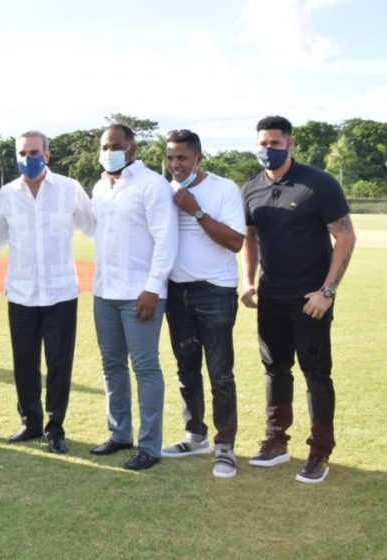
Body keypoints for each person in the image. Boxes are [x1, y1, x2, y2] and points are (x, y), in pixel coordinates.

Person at [241, 115, 356, 484]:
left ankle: (319, 451)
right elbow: (250, 237)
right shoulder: (251, 188)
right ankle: (276, 441)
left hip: (311, 298)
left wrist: (327, 291)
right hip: (271, 295)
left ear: (290, 144)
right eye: (262, 143)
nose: (267, 150)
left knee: (316, 374)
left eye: (274, 143)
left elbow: (346, 238)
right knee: (275, 369)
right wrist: (249, 281)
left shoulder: (318, 184)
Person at [0, 130, 94, 454]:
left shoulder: (69, 189)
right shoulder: (8, 193)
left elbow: (93, 226)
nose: (27, 159)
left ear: (47, 155)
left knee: (59, 362)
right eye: (21, 153)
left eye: (33, 153)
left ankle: (55, 426)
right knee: (24, 361)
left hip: (60, 292)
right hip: (21, 293)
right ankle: (30, 422)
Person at [89, 124, 178, 470]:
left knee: (145, 367)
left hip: (140, 293)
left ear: (133, 150)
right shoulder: (99, 187)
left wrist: (153, 287)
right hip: (104, 291)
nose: (109, 150)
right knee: (112, 366)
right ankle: (119, 433)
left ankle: (150, 445)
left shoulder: (151, 185)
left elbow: (166, 239)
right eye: (104, 145)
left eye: (116, 145)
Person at [160, 129, 245, 478]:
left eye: (182, 157)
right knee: (186, 370)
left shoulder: (223, 189)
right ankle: (196, 435)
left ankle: (225, 446)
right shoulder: (164, 190)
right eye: (170, 158)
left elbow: (236, 242)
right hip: (177, 292)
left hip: (214, 291)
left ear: (198, 158)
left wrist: (196, 212)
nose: (175, 165)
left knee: (220, 373)